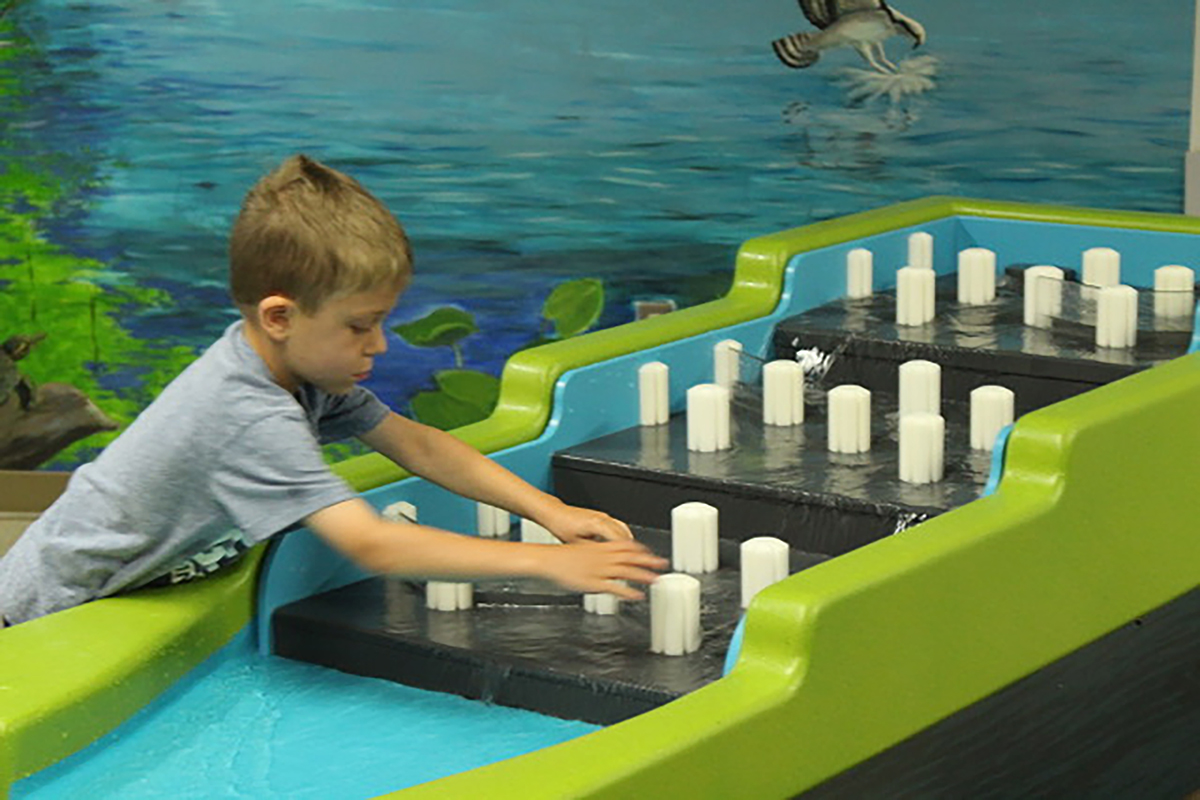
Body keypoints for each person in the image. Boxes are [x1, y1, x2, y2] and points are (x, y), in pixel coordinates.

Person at [0, 154, 666, 627]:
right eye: (360, 326)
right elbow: (372, 544)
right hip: (40, 612)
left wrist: (549, 511)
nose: (377, 346)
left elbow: (421, 445)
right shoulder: (246, 413)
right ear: (280, 317)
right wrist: (545, 565)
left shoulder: (304, 371)